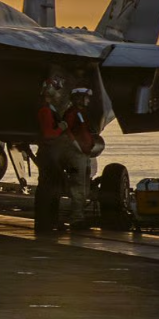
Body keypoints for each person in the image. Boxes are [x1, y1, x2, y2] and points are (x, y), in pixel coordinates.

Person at [59, 87, 98, 230]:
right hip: (77, 155)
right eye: (86, 98)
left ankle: (79, 216)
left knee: (83, 186)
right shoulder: (72, 113)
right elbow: (66, 130)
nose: (88, 100)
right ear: (79, 98)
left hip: (83, 153)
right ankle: (76, 219)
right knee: (78, 187)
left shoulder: (81, 113)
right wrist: (76, 146)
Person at [33, 78, 68, 233]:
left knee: (50, 188)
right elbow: (48, 134)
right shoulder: (46, 110)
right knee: (49, 189)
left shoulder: (48, 108)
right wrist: (61, 127)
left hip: (49, 154)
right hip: (49, 155)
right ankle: (46, 223)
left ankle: (48, 222)